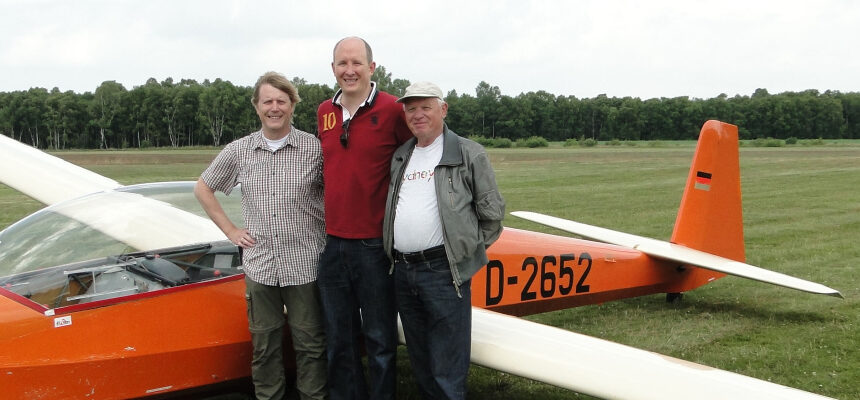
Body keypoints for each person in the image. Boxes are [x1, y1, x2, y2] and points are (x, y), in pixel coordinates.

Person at [194, 71, 327, 400]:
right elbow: (203, 187)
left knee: (311, 345)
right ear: (256, 106)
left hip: (305, 265)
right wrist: (231, 230)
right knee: (265, 346)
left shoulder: (314, 148)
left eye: (282, 100)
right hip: (261, 265)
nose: (274, 107)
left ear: (292, 105)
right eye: (267, 101)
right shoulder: (240, 151)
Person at [383, 82, 505, 400]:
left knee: (447, 370)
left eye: (426, 107)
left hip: (443, 272)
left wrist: (462, 253)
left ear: (443, 109)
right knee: (421, 363)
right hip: (404, 270)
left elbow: (492, 216)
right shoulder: (401, 155)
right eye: (411, 108)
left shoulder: (468, 152)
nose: (418, 114)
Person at [315, 37, 413, 400]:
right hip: (332, 244)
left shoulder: (391, 109)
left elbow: (413, 158)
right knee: (339, 340)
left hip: (374, 246)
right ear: (333, 69)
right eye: (342, 63)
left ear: (372, 68)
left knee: (380, 341)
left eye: (357, 62)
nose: (349, 70)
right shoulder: (325, 110)